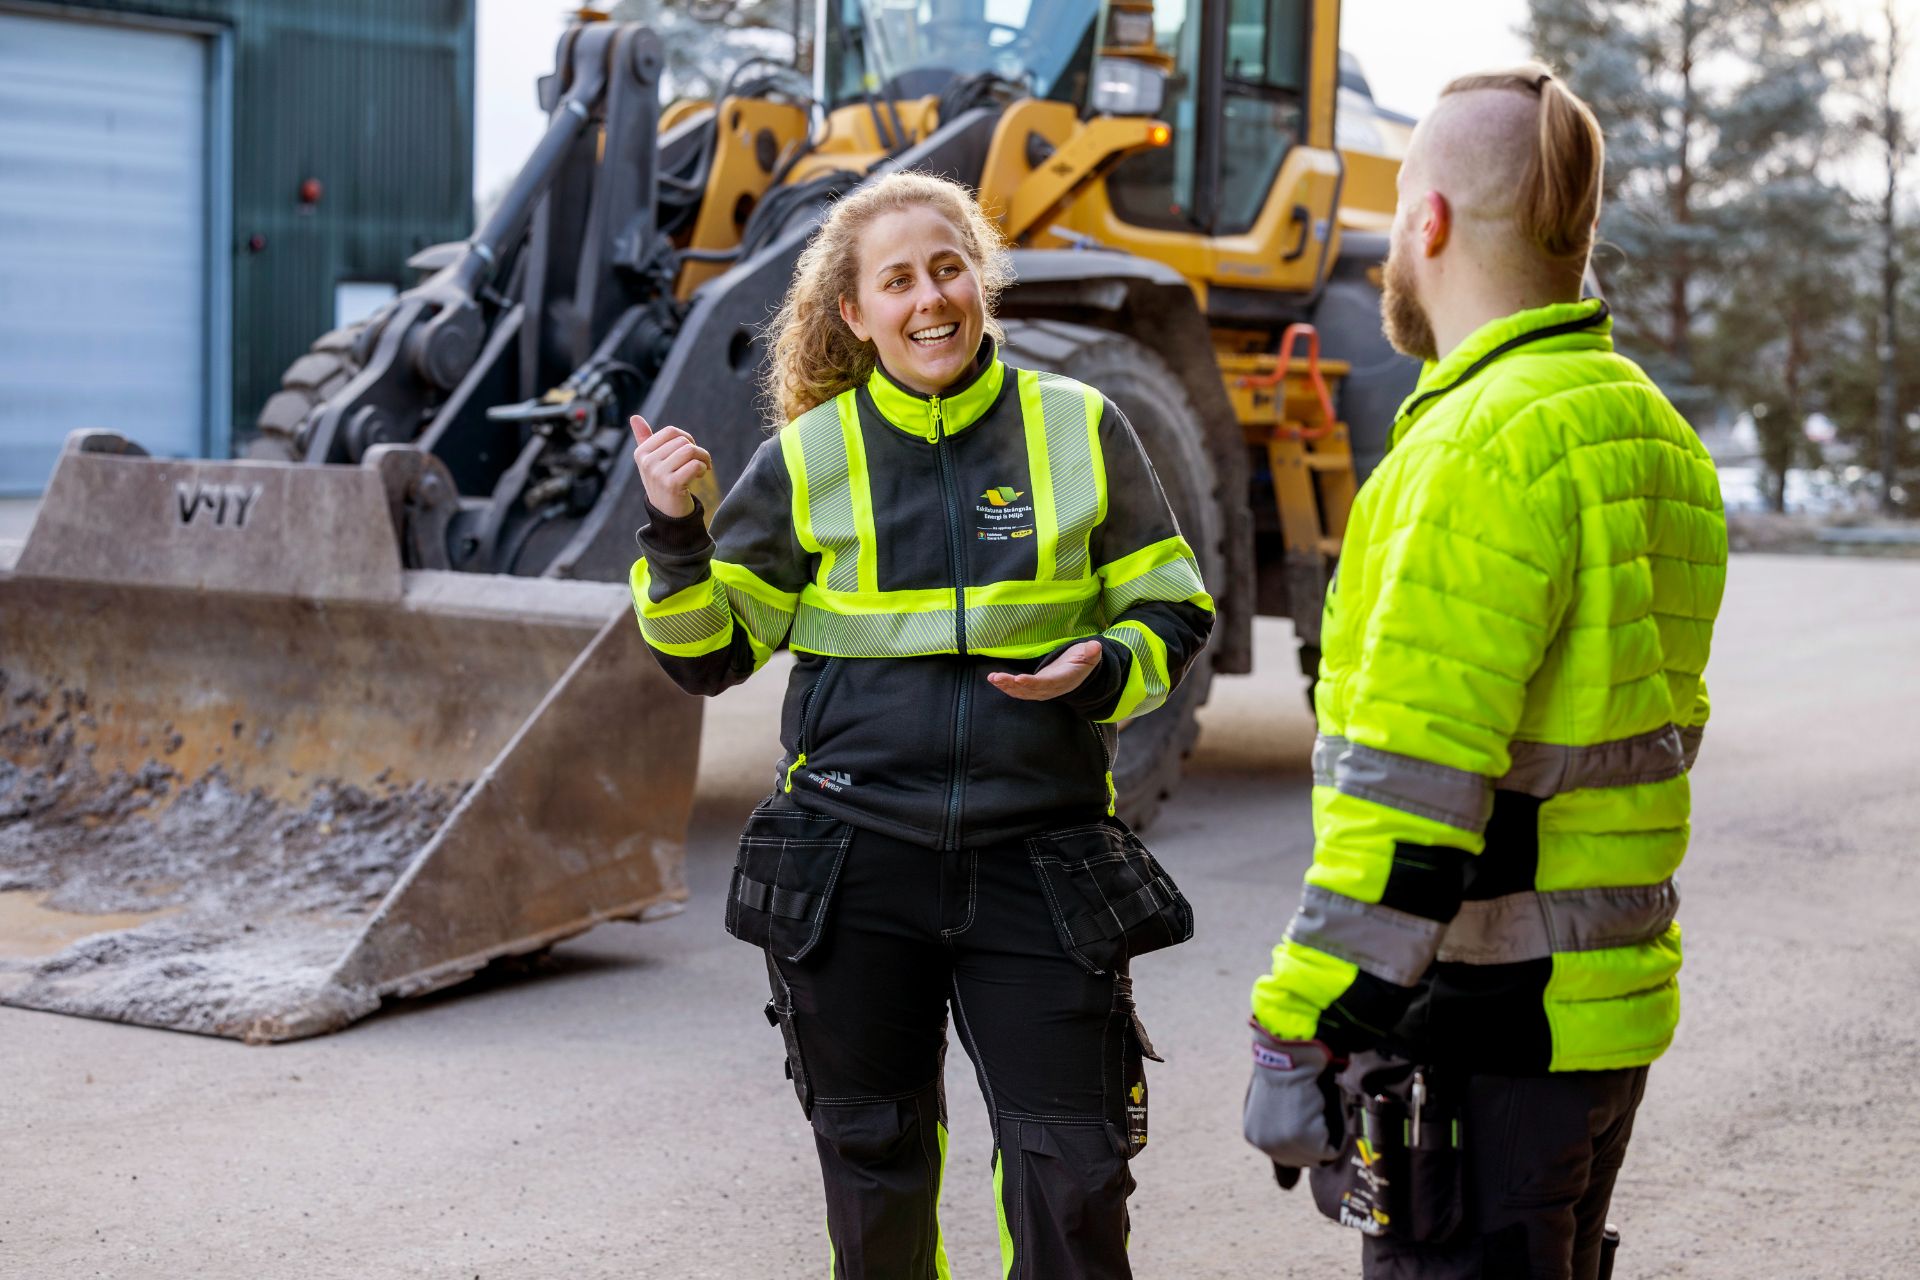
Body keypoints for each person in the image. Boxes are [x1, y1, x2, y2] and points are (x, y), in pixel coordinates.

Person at [628, 170, 1213, 1278]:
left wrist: (1105, 668)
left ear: (981, 281)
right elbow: (708, 653)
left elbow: (1175, 606)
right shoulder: (808, 458)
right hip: (854, 866)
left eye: (948, 268)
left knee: (1075, 1174)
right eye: (896, 280)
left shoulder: (1081, 426)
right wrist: (671, 536)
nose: (928, 298)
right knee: (876, 1171)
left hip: (1042, 854)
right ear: (855, 314)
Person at [1241, 66, 1728, 1279]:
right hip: (1603, 1022)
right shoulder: (1656, 435)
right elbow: (1662, 733)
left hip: (1483, 1023)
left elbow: (1413, 795)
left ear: (1430, 222)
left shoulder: (1471, 451)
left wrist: (1304, 1019)